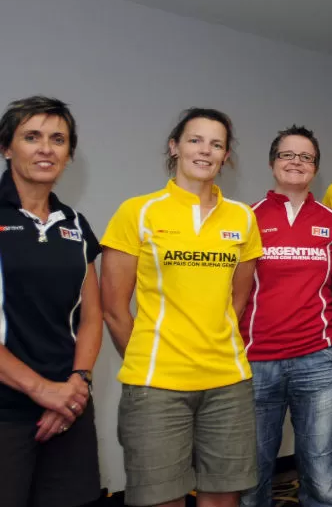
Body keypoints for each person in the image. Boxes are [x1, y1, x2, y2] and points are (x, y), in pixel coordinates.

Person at [101, 108, 262, 507]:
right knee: (161, 500)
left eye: (216, 144)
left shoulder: (242, 218)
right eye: (195, 140)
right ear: (174, 147)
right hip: (157, 385)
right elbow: (114, 308)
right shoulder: (137, 212)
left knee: (223, 497)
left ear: (226, 156)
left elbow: (238, 299)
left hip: (227, 381)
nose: (205, 150)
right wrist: (145, 357)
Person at [0, 96, 102, 507]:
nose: (46, 148)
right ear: (7, 148)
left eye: (58, 139)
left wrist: (76, 386)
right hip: (7, 409)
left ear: (69, 153)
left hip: (69, 406)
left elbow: (91, 316)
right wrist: (42, 390)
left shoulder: (75, 225)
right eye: (32, 136)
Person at [239, 126, 332, 507]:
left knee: (321, 474)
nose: (296, 163)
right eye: (288, 155)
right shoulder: (245, 218)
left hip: (318, 361)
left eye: (306, 157)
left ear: (316, 168)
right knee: (251, 475)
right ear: (272, 163)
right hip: (256, 361)